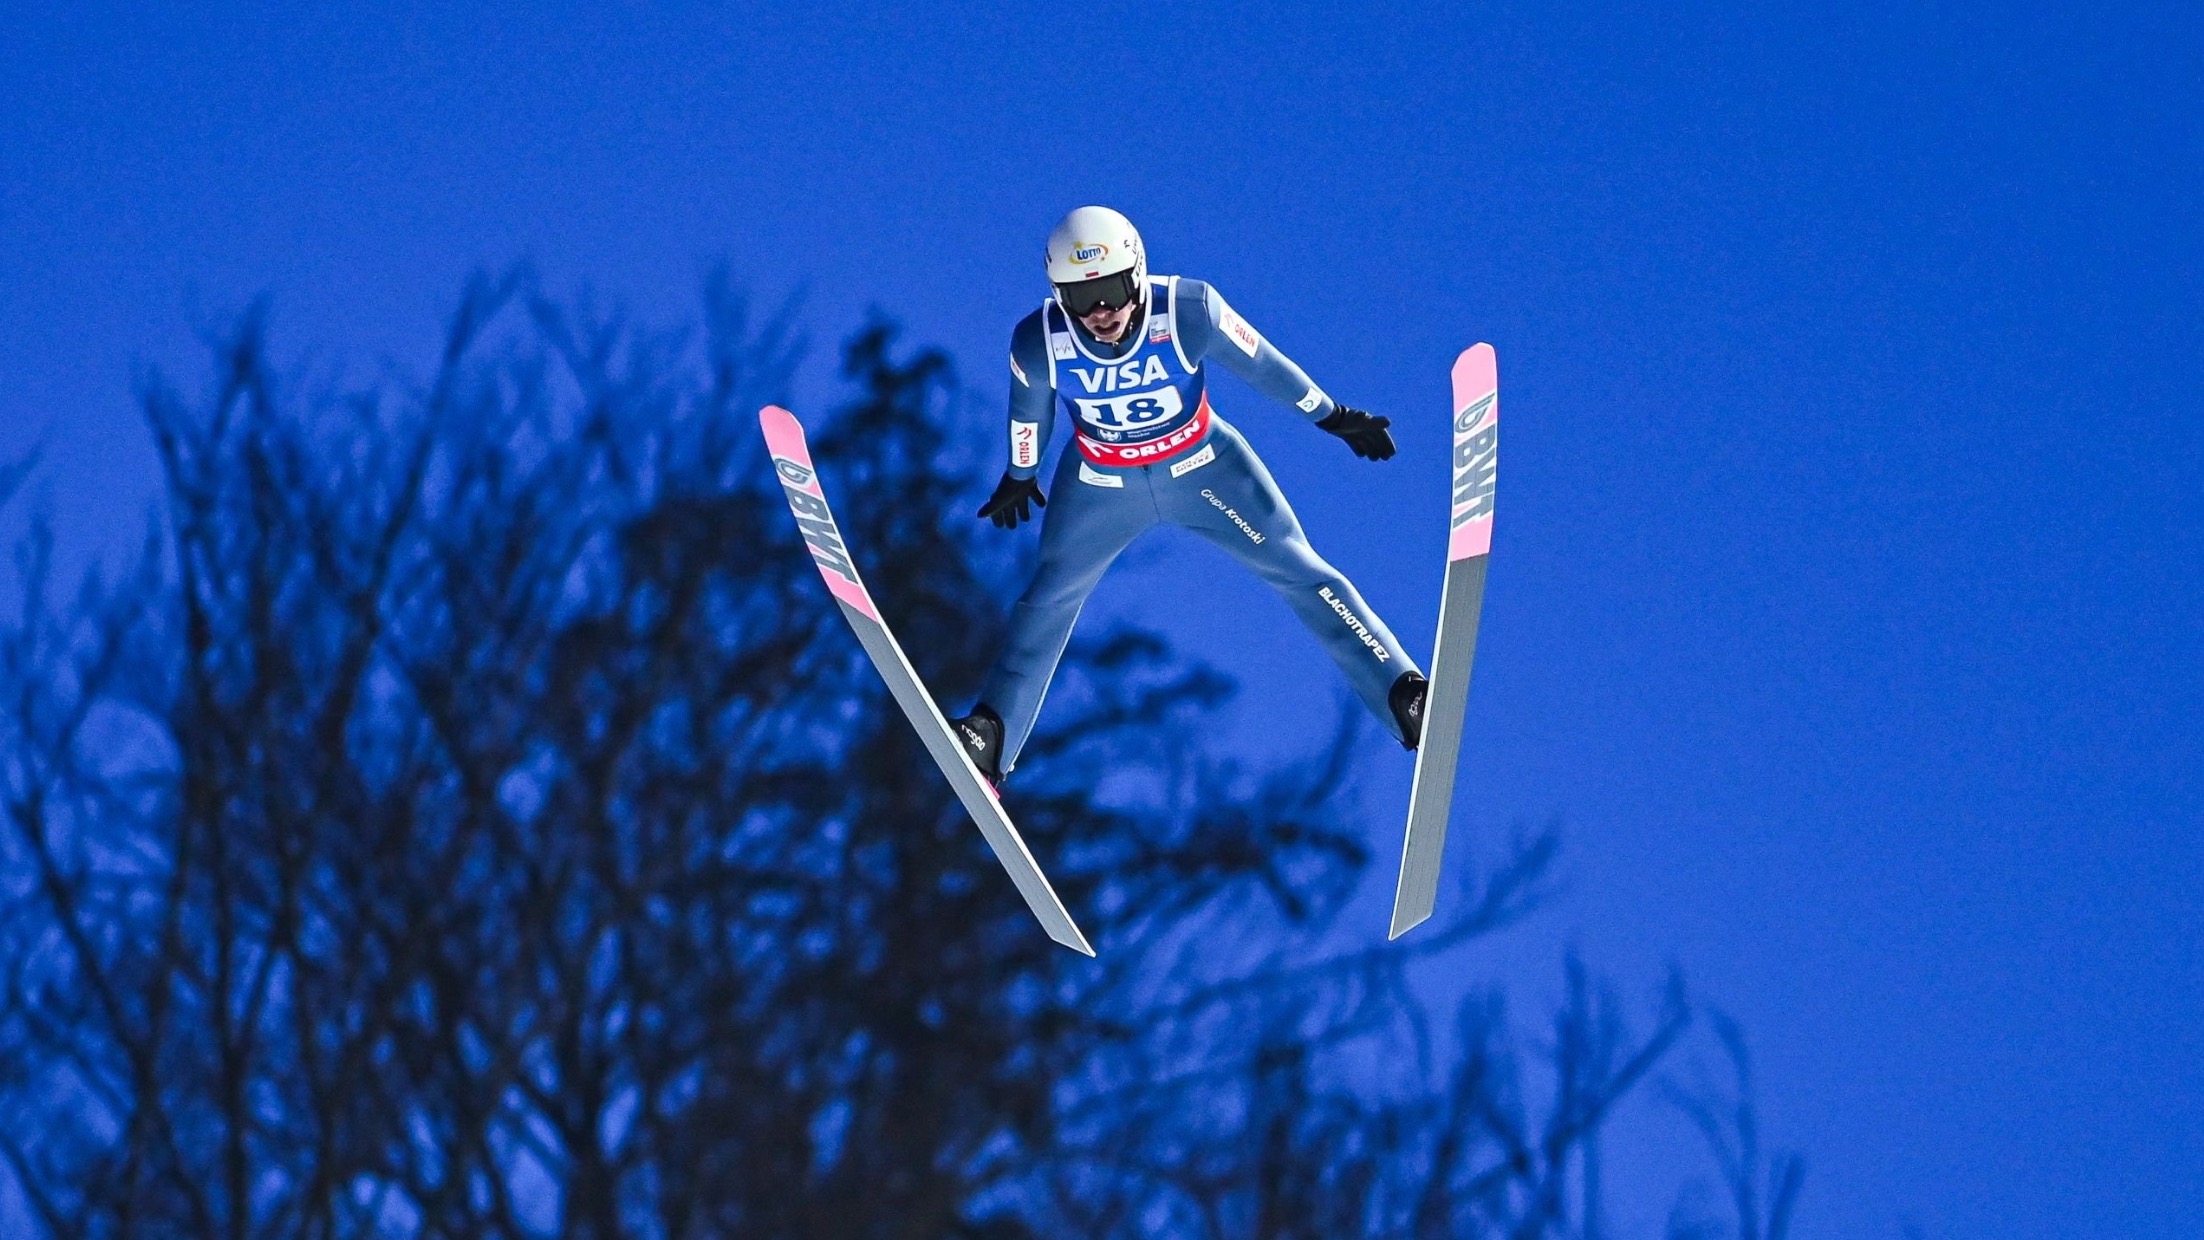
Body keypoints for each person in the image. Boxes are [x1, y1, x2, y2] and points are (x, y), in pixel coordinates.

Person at [953, 206, 1426, 784]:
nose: (1099, 312)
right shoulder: (1038, 340)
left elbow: (1264, 365)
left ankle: (1403, 690)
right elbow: (1029, 410)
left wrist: (1332, 416)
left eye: (1110, 289)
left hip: (1206, 469)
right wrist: (1021, 473)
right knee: (1047, 599)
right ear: (1059, 296)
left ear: (1137, 273)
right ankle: (991, 735)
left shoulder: (1188, 310)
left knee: (1300, 569)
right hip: (1101, 484)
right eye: (1081, 297)